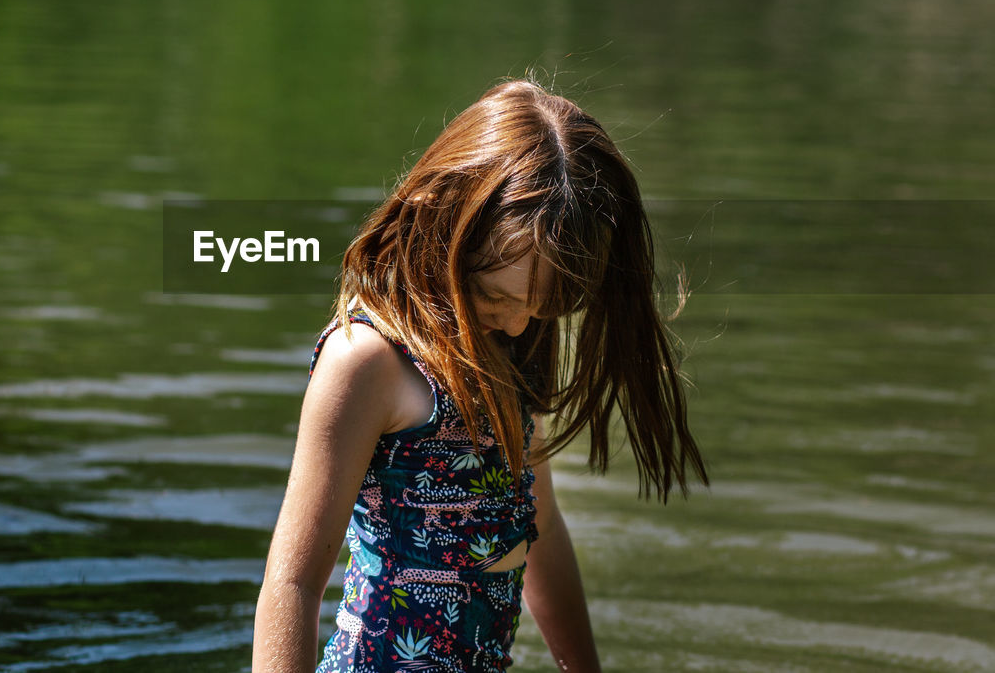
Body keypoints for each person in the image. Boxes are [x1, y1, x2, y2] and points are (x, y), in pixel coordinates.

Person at [252, 77, 709, 673]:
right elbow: (293, 583)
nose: (520, 325)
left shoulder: (507, 348)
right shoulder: (368, 361)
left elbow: (540, 523)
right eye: (497, 298)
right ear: (448, 232)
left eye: (543, 308)